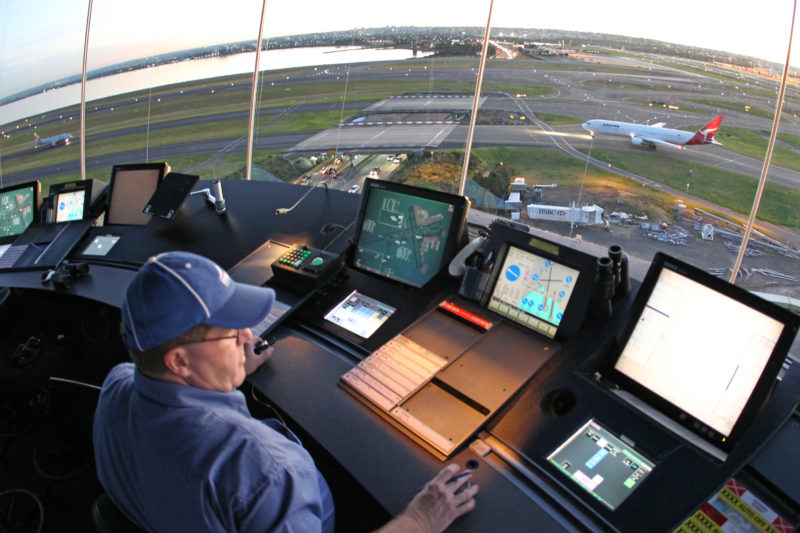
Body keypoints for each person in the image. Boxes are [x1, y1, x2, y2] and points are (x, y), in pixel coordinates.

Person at [93, 251, 478, 532]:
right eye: (231, 333)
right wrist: (421, 519)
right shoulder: (267, 469)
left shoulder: (117, 384)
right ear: (180, 362)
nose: (247, 337)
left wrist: (225, 372)